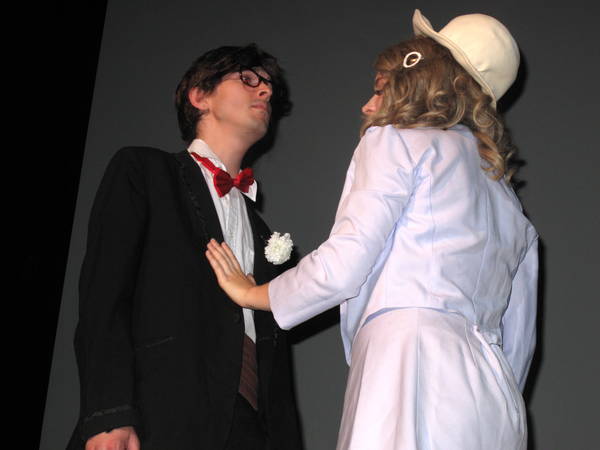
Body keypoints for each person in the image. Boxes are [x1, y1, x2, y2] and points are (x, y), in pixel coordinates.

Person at [205, 10, 538, 450]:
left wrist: (255, 294)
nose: (367, 106)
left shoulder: (396, 139)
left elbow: (346, 262)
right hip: (494, 397)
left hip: (408, 366)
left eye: (380, 89)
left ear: (416, 80)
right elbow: (519, 345)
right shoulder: (511, 207)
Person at [68, 44, 302, 450]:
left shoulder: (264, 233)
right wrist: (109, 415)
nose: (265, 91)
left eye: (269, 86)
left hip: (251, 431)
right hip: (160, 416)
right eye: (249, 79)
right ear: (200, 96)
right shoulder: (144, 171)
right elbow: (104, 296)